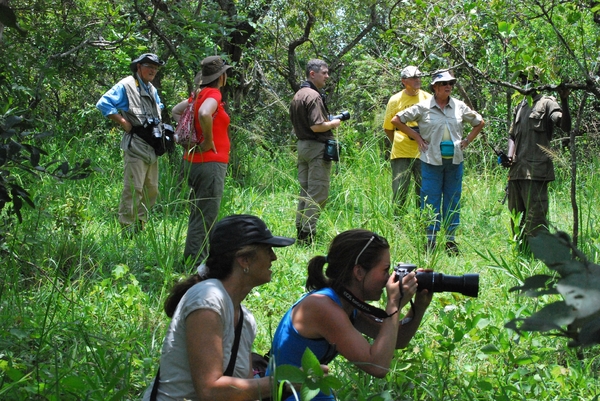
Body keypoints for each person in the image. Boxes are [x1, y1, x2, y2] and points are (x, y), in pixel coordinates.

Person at [142, 214, 295, 401]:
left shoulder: (245, 320)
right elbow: (210, 390)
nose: (274, 257)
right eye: (268, 249)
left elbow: (244, 389)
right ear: (244, 260)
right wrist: (283, 382)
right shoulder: (208, 300)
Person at [267, 229, 432, 401]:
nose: (389, 278)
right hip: (287, 395)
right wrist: (393, 305)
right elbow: (377, 366)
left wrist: (419, 306)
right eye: (385, 270)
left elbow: (397, 340)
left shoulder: (347, 304)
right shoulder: (323, 307)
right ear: (359, 272)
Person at [391, 70, 484, 255]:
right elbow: (397, 120)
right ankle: (431, 241)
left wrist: (466, 141)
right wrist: (416, 137)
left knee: (452, 200)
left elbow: (479, 122)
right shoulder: (423, 106)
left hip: (454, 162)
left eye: (451, 83)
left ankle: (450, 241)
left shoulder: (459, 106)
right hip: (430, 161)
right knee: (430, 200)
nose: (448, 86)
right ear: (435, 87)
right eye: (444, 83)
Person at [96, 53, 166, 235]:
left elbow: (159, 108)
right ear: (138, 67)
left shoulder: (151, 89)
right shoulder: (126, 85)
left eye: (155, 68)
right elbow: (103, 103)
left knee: (151, 189)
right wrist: (122, 121)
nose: (153, 70)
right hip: (136, 145)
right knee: (133, 189)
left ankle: (140, 227)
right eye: (149, 66)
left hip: (152, 147)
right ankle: (127, 230)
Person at [172, 56, 232, 265]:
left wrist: (192, 132)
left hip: (192, 161)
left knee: (198, 214)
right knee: (207, 215)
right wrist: (207, 140)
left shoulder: (197, 95)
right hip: (210, 163)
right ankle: (198, 263)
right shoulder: (213, 93)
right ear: (221, 76)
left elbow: (175, 112)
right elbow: (206, 113)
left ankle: (192, 259)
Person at [504, 71, 571, 250]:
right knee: (516, 219)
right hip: (517, 171)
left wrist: (564, 100)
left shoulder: (547, 102)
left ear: (538, 81)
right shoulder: (520, 106)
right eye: (522, 80)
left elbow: (564, 125)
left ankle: (540, 257)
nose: (525, 83)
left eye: (529, 79)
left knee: (536, 220)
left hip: (536, 172)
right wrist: (509, 156)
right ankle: (521, 254)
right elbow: (512, 135)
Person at [290, 59, 342, 245]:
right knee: (318, 193)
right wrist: (333, 123)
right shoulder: (313, 96)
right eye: (324, 73)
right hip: (316, 148)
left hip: (302, 147)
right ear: (313, 74)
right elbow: (317, 126)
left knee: (305, 192)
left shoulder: (299, 94)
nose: (327, 76)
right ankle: (307, 235)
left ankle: (300, 229)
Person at [382, 66, 432, 214]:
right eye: (413, 78)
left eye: (419, 77)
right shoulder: (395, 100)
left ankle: (422, 223)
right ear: (404, 81)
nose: (418, 80)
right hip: (401, 151)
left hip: (423, 151)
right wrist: (399, 141)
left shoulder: (428, 98)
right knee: (399, 190)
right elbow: (388, 128)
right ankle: (398, 225)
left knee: (424, 191)